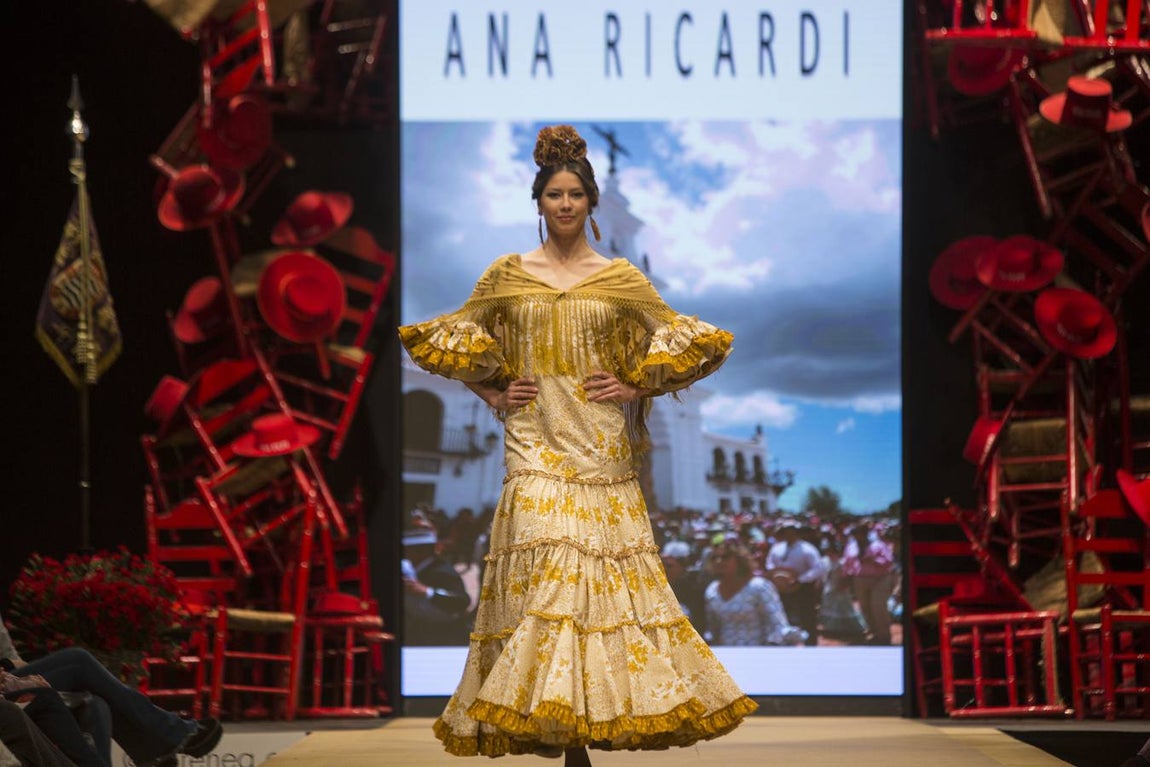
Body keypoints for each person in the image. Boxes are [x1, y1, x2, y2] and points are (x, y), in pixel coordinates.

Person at [399, 125, 756, 765]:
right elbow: (452, 336)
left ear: (590, 203)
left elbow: (689, 338)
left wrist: (637, 382)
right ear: (537, 202)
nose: (564, 204)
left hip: (602, 456)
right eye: (553, 194)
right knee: (552, 587)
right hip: (535, 452)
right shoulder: (505, 275)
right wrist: (491, 392)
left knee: (595, 601)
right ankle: (565, 740)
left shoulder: (621, 277)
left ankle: (579, 745)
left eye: (575, 194)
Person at [0, 612, 221, 767]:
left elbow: (13, 657)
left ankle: (162, 740)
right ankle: (166, 737)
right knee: (78, 662)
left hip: (8, 680)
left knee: (96, 701)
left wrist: (12, 670)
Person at [703, 540, 807, 647]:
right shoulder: (712, 590)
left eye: (725, 557)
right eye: (714, 558)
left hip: (756, 655)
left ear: (739, 559)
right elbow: (713, 630)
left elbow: (778, 625)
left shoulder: (758, 587)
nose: (718, 561)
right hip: (726, 656)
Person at [402, 528, 472, 646]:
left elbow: (462, 601)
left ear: (421, 551)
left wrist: (427, 592)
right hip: (419, 632)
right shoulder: (411, 568)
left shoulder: (442, 571)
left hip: (444, 636)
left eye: (407, 550)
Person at [764, 521, 824, 646]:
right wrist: (775, 573)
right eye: (786, 531)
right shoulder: (777, 548)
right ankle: (785, 645)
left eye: (792, 531)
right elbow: (769, 563)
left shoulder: (807, 549)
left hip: (803, 587)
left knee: (807, 617)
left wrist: (801, 579)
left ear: (797, 533)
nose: (788, 534)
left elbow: (818, 568)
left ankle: (811, 646)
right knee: (782, 617)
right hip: (780, 588)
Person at [842, 524, 897, 645]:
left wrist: (873, 560)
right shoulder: (851, 546)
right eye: (855, 534)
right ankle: (874, 632)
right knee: (865, 607)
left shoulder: (879, 545)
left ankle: (884, 636)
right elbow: (846, 563)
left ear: (866, 534)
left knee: (878, 607)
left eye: (860, 533)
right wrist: (845, 577)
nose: (858, 536)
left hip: (879, 579)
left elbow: (889, 561)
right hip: (860, 579)